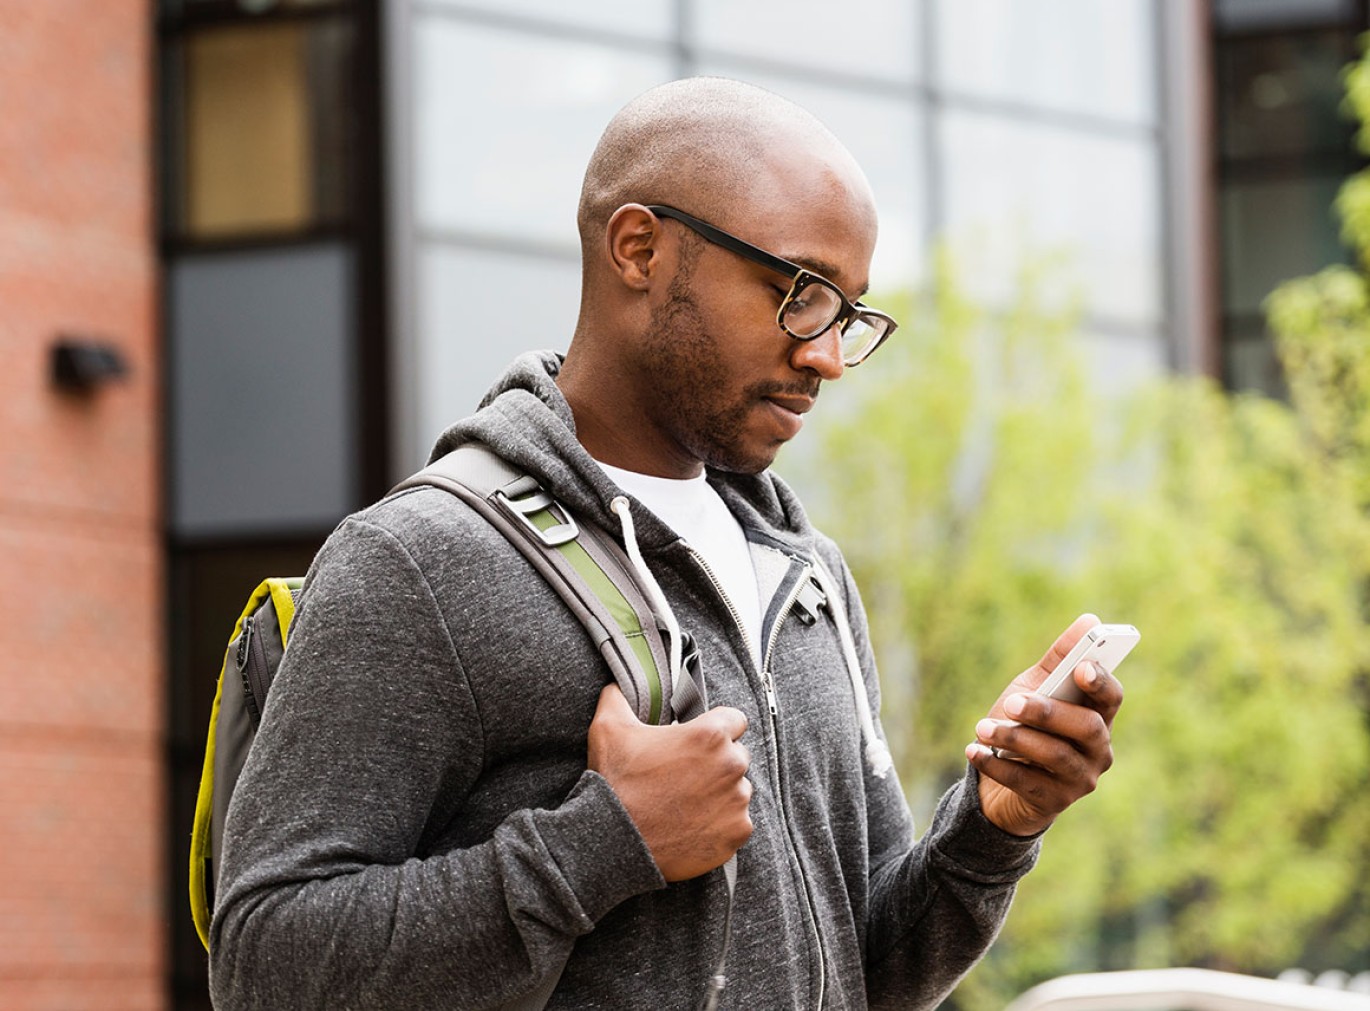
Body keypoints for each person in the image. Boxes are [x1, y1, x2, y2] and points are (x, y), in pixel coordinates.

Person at [208, 77, 1123, 1010]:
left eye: (848, 313)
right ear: (639, 249)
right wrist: (600, 846)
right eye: (798, 292)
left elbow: (867, 972)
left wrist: (993, 828)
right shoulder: (421, 560)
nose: (827, 354)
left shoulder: (806, 576)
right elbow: (263, 965)